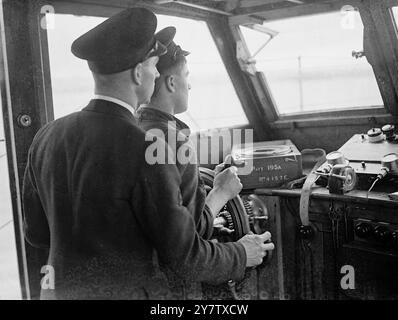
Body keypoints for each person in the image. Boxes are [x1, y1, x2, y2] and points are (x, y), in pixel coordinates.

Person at [22, 7, 273, 300]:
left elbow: (37, 234)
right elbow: (184, 260)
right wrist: (241, 253)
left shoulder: (47, 136)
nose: (156, 73)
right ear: (139, 73)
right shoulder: (149, 149)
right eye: (154, 65)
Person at [137, 40, 274, 298]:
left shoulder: (135, 128)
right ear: (171, 83)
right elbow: (189, 236)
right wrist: (220, 193)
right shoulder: (173, 140)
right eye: (186, 77)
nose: (189, 85)